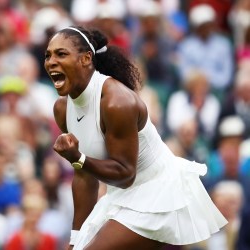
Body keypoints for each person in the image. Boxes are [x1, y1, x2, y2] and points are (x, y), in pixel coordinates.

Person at [44, 25, 227, 249]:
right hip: (120, 197)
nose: (51, 61)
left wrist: (78, 157)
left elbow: (125, 173)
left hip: (161, 194)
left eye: (61, 54)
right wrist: (75, 239)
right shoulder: (62, 109)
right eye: (48, 55)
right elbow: (85, 179)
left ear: (86, 59)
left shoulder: (116, 101)